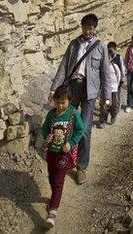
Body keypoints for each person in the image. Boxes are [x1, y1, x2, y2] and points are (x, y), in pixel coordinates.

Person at [48, 13, 111, 185]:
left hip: (90, 91)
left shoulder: (101, 47)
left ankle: (81, 167)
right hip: (72, 88)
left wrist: (107, 97)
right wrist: (54, 89)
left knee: (84, 130)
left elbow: (105, 74)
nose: (87, 31)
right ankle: (65, 159)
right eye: (85, 28)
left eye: (90, 28)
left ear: (95, 28)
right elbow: (63, 68)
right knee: (65, 124)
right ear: (81, 27)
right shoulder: (74, 44)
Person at [42, 85, 84, 228]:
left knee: (59, 180)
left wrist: (71, 143)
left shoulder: (73, 114)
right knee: (52, 177)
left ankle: (53, 211)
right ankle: (55, 197)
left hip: (64, 155)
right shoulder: (51, 114)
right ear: (54, 100)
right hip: (52, 153)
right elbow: (44, 128)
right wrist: (46, 137)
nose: (60, 105)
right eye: (58, 102)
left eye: (63, 102)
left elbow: (80, 130)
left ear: (69, 101)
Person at [98, 50, 122, 128]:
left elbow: (118, 76)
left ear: (111, 58)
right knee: (105, 105)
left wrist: (116, 85)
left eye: (108, 57)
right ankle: (103, 120)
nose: (106, 59)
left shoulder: (115, 66)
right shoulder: (101, 68)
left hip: (113, 90)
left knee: (114, 104)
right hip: (105, 90)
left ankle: (113, 115)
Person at [108, 42, 126, 112]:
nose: (110, 52)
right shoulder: (106, 58)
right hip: (109, 81)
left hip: (117, 80)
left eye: (111, 50)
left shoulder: (118, 58)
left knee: (117, 95)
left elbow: (122, 68)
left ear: (115, 49)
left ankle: (116, 108)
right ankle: (109, 108)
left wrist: (122, 78)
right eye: (109, 50)